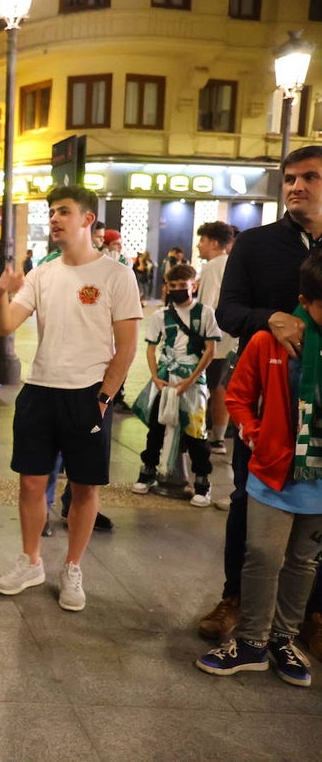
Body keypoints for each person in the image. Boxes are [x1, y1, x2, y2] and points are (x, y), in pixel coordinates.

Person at [0, 185, 142, 612]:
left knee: (85, 487)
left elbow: (127, 345)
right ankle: (31, 560)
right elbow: (4, 326)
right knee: (31, 482)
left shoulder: (116, 275)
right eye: (51, 212)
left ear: (88, 219)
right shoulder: (42, 274)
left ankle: (73, 567)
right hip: (40, 390)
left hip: (87, 395)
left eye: (63, 212)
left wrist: (104, 397)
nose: (54, 219)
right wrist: (1, 290)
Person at [199, 145, 322, 642]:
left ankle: (310, 615)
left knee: (316, 513)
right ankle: (237, 598)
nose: (296, 186)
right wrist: (267, 319)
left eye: (310, 177)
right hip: (267, 400)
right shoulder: (255, 244)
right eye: (290, 178)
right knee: (249, 500)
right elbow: (227, 312)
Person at [195, 253, 322, 688]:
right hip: (271, 473)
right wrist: (254, 434)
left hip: (318, 481)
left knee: (303, 562)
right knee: (263, 557)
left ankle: (284, 638)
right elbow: (237, 396)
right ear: (305, 300)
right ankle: (251, 641)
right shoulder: (269, 342)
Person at [130, 263, 219, 506]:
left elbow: (210, 351)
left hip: (193, 379)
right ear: (167, 287)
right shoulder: (160, 316)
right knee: (156, 425)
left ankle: (202, 481)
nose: (178, 290)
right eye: (174, 286)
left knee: (195, 430)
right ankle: (148, 470)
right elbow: (150, 348)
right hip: (165, 378)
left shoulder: (206, 314)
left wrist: (191, 380)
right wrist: (156, 377)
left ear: (194, 285)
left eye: (183, 286)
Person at [195, 221, 237, 455]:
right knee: (222, 385)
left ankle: (213, 437)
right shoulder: (232, 263)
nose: (198, 246)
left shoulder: (212, 267)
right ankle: (219, 436)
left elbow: (207, 306)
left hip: (214, 338)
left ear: (213, 242)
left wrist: (200, 336)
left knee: (214, 387)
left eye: (201, 241)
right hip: (230, 336)